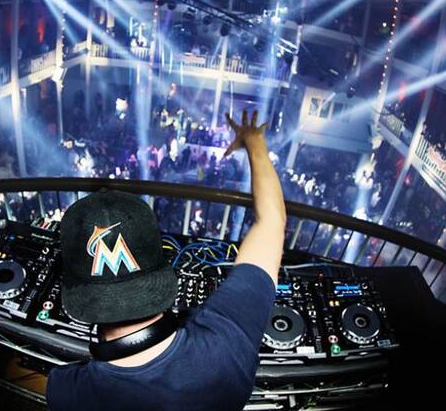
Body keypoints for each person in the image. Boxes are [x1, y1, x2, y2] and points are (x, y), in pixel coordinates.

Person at [47, 110, 286, 410]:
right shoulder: (227, 347)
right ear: (161, 268)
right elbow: (272, 222)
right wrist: (254, 142)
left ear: (78, 296)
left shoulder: (66, 392)